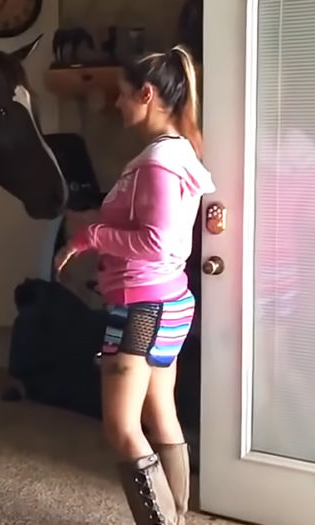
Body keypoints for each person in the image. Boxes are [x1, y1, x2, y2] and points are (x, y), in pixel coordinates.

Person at [54, 44, 215, 525]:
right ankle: (176, 519)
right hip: (164, 301)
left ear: (146, 94)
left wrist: (87, 237)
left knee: (122, 427)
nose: (117, 105)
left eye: (123, 96)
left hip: (143, 307)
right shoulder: (178, 153)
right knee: (160, 414)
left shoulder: (158, 164)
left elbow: (155, 241)